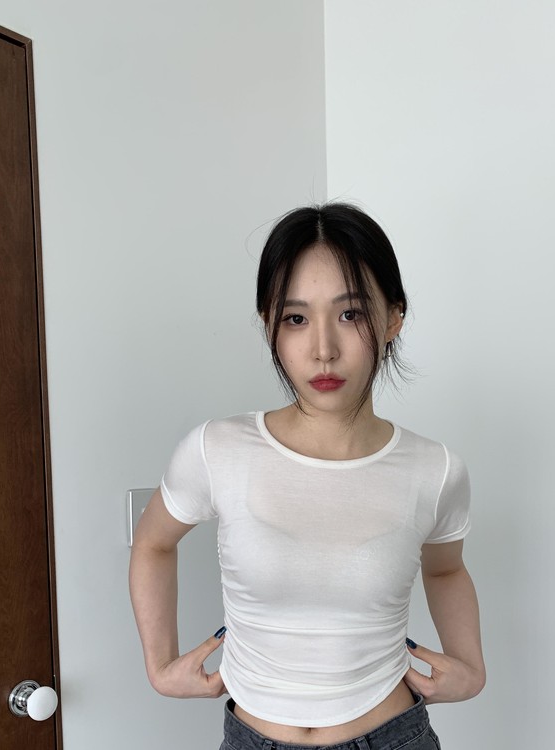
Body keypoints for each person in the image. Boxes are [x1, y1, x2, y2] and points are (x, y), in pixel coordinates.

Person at [129, 203, 486, 750]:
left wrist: (470, 666)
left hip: (391, 735)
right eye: (295, 318)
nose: (323, 350)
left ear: (393, 317)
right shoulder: (217, 450)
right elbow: (153, 543)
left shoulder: (434, 469)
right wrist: (159, 665)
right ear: (269, 326)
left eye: (351, 314)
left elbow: (447, 570)